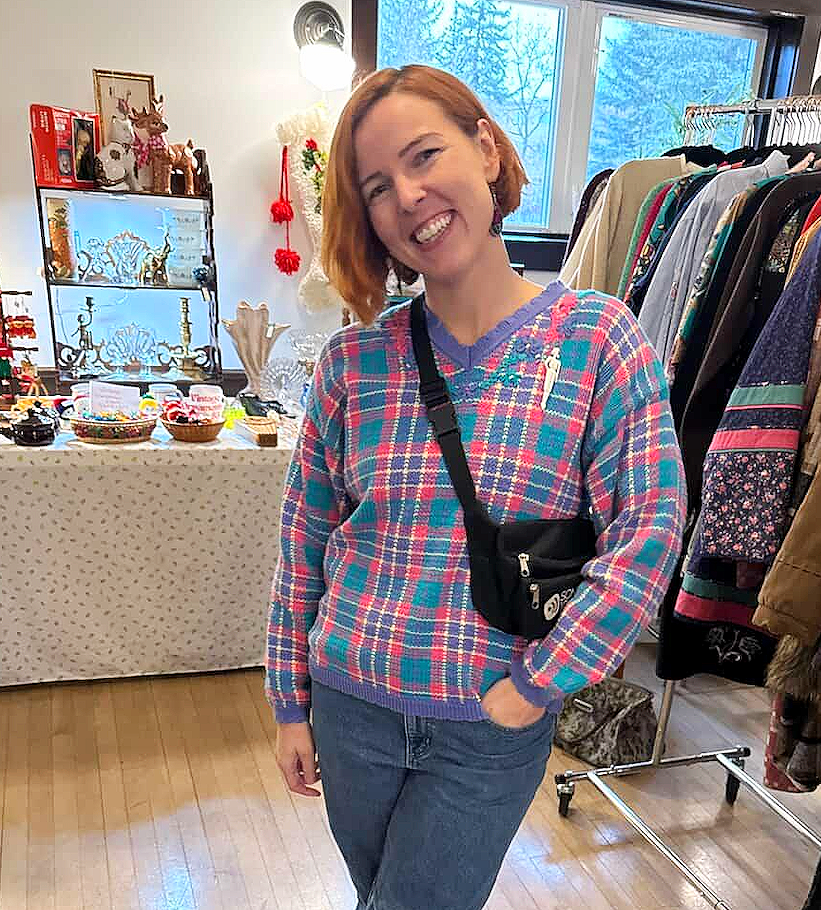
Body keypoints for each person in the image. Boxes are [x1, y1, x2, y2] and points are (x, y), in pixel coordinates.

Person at [266, 64, 686, 910]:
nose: (410, 196)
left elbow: (649, 534)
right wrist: (289, 701)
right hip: (351, 707)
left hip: (487, 722)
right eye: (378, 187)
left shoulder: (599, 338)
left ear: (486, 150)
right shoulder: (354, 362)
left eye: (426, 156)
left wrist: (537, 684)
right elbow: (304, 540)